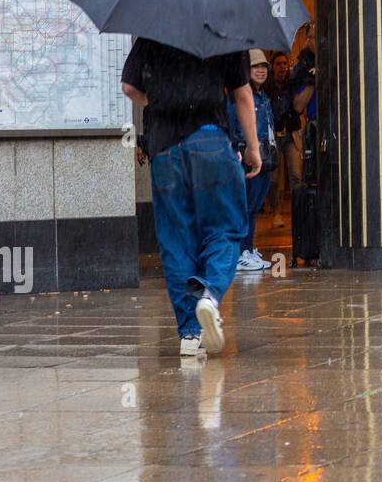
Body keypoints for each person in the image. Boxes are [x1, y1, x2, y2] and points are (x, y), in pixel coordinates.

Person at [121, 37, 260, 358]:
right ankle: (208, 295)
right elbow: (242, 94)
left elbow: (129, 87)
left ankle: (189, 333)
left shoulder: (152, 33)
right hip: (211, 141)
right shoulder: (225, 30)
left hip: (165, 148)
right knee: (224, 229)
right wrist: (252, 148)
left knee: (175, 240)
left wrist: (158, 100)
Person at [228, 50, 276, 273]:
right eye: (255, 66)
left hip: (263, 157)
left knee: (254, 205)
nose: (261, 70)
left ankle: (248, 248)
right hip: (247, 157)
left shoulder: (263, 96)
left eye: (264, 66)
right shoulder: (240, 96)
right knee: (246, 205)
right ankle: (241, 253)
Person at [267, 52, 303, 229]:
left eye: (284, 64)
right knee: (273, 180)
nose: (282, 67)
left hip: (291, 133)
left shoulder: (292, 84)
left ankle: (299, 213)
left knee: (296, 175)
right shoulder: (267, 86)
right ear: (272, 67)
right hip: (273, 136)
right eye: (278, 64)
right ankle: (276, 212)